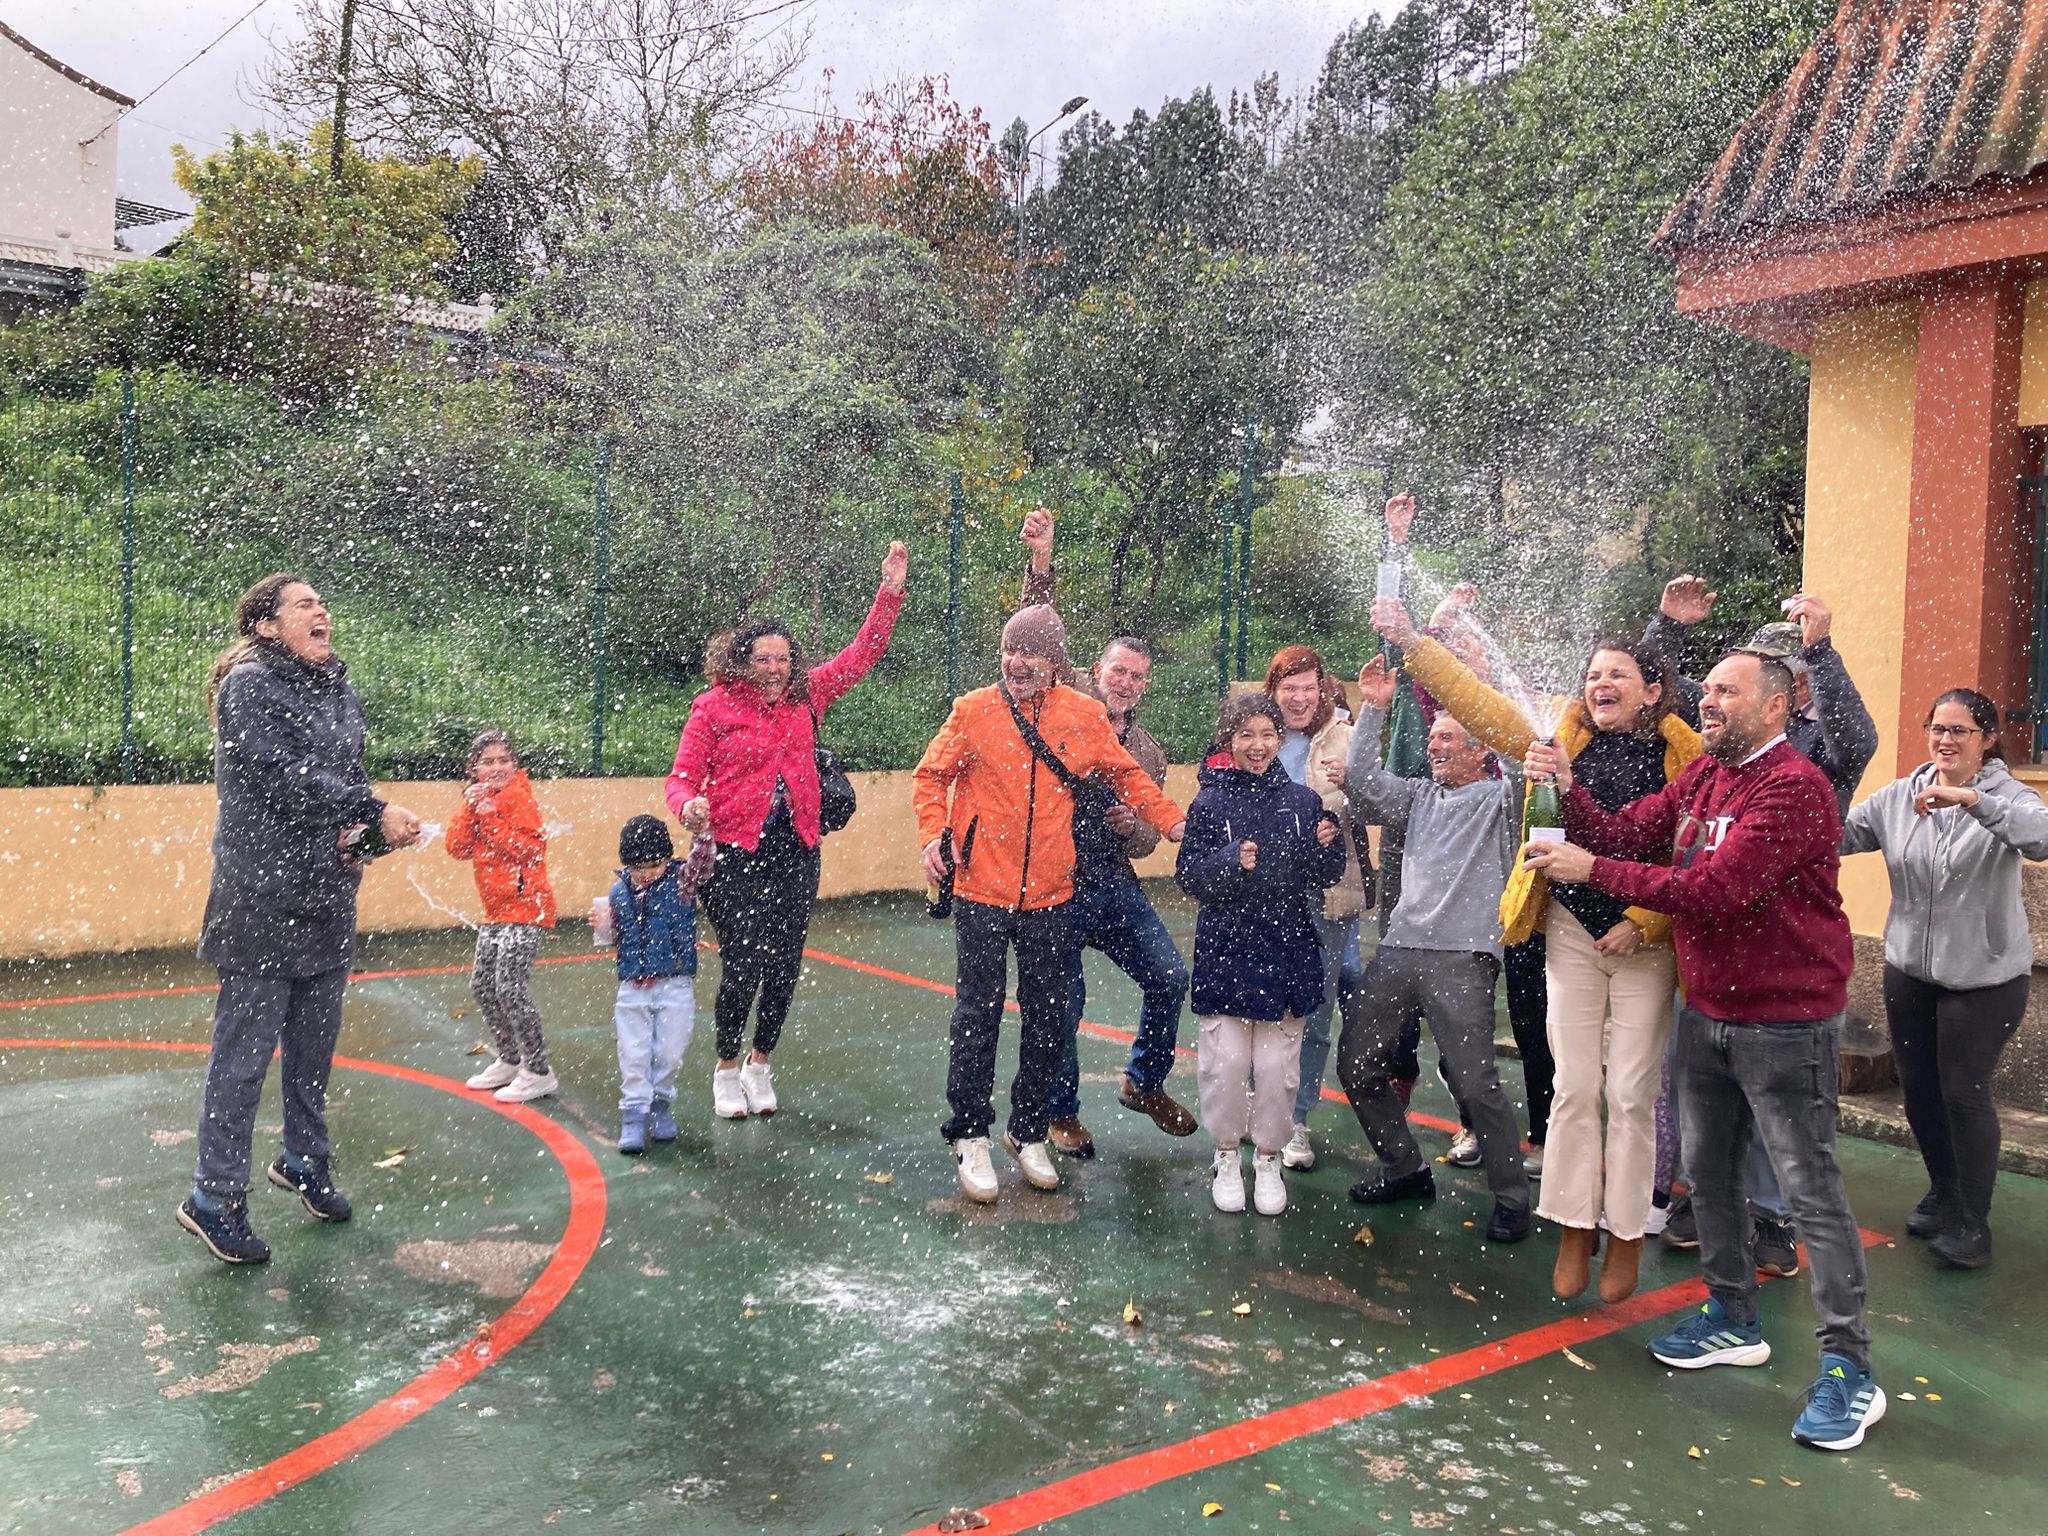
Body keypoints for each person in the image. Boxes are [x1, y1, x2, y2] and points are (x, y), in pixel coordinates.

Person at [1525, 651, 1881, 1453]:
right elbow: (1625, 830)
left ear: (1778, 707)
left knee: (1809, 1193)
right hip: (1710, 1011)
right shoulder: (1702, 778)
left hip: (1786, 1022)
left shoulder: (1793, 787)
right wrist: (1567, 788)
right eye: (1707, 689)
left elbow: (1713, 890)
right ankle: (1731, 1316)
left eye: (1727, 691)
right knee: (1710, 1178)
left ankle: (1851, 1373)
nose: (1708, 702)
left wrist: (1596, 869)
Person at [1380, 595, 1697, 1302]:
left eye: (1617, 673)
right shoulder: (1557, 734)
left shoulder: (1686, 753)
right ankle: (1574, 1227)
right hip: (1571, 932)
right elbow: (1478, 701)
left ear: (1652, 690)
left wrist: (1644, 922)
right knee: (1574, 1088)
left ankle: (1625, 1236)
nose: (1601, 684)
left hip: (1645, 941)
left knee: (1632, 1094)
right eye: (1593, 674)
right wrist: (1412, 644)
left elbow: (1685, 856)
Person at [179, 575, 424, 1266]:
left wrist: (363, 836)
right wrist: (372, 807)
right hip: (259, 899)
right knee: (244, 1058)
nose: (321, 612)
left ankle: (302, 1160)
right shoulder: (250, 687)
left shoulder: (338, 686)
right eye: (304, 605)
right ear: (265, 626)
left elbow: (334, 786)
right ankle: (213, 1196)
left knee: (313, 1048)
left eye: (322, 603)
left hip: (325, 892)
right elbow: (284, 778)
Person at [912, 603, 1187, 1203]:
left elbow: (1130, 778)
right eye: (1012, 652)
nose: (1019, 663)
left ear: (1057, 664)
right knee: (977, 1015)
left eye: (1032, 654)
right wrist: (934, 835)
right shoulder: (974, 710)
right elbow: (931, 777)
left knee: (1047, 1016)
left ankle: (1029, 1129)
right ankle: (970, 1133)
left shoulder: (1083, 714)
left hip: (1052, 895)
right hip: (980, 889)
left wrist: (1170, 823)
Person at [1646, 579, 1876, 1270]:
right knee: (1703, 1097)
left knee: (1781, 1114)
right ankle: (1706, 1199)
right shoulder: (1725, 746)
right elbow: (1667, 691)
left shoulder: (1816, 758)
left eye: (1784, 666)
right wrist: (1669, 628)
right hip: (1714, 953)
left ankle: (1773, 1218)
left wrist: (1824, 649)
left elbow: (1861, 736)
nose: (1716, 700)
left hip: (1782, 957)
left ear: (1792, 690)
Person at [667, 541, 908, 1120]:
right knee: (743, 963)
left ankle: (759, 1062)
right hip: (733, 852)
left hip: (796, 848)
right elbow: (680, 778)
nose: (774, 669)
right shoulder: (714, 706)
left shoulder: (808, 695)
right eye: (763, 659)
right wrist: (689, 808)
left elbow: (862, 653)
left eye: (783, 659)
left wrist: (890, 591)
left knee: (783, 963)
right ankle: (725, 1067)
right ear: (743, 661)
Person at [1840, 688, 2048, 1269]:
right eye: (1938, 728)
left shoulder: (2008, 796)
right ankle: (1944, 1189)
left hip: (1985, 978)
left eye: (1960, 731)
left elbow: (2042, 837)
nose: (1945, 740)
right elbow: (1837, 836)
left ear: (1986, 739)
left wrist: (1973, 800)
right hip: (1910, 970)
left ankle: (1971, 1223)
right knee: (1920, 1088)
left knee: (1962, 1090)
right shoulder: (1900, 797)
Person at [1337, 652, 1532, 1246]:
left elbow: (1524, 761)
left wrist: (1489, 697)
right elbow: (1363, 780)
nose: (1436, 746)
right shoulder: (1418, 797)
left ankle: (1512, 1198)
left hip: (1464, 959)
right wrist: (1373, 709)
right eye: (1435, 738)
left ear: (1482, 751)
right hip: (1398, 951)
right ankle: (1404, 1167)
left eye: (1451, 738)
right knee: (1356, 1065)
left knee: (1476, 1085)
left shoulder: (1503, 803)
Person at [1019, 509, 1196, 1155]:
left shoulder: (1146, 752)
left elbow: (1152, 837)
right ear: (1094, 670)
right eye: (1117, 670)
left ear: (1146, 685)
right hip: (1056, 887)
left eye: (1137, 676)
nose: (1126, 681)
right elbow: (1035, 636)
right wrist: (1042, 560)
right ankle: (1060, 1114)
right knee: (1064, 1003)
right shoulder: (1063, 701)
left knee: (1171, 977)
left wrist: (1131, 829)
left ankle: (1143, 1082)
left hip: (1113, 885)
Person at [1178, 692, 1347, 1215]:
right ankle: (1227, 1153)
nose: (1258, 745)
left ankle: (1269, 1157)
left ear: (1281, 739)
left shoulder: (1301, 801)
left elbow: (1326, 876)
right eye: (1246, 734)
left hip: (1286, 954)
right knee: (1225, 1065)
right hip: (1227, 953)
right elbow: (1190, 876)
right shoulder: (1209, 802)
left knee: (1278, 1070)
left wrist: (1328, 846)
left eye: (1267, 735)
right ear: (1230, 740)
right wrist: (1230, 860)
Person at [1258, 645, 1372, 1172]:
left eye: (1308, 686)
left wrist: (1352, 783)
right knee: (1260, 1007)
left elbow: (1375, 800)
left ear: (1323, 688)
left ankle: (1296, 1120)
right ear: (1273, 691)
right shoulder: (1256, 738)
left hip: (1326, 898)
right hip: (1262, 898)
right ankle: (1261, 1109)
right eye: (1289, 687)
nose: (1299, 697)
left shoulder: (1345, 740)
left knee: (1316, 1011)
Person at [447, 730, 559, 1103]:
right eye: (488, 762)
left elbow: (531, 850)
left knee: (510, 987)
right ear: (474, 769)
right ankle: (510, 1059)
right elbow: (457, 847)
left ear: (515, 765)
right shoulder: (480, 799)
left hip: (527, 908)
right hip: (496, 912)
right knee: (482, 986)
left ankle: (539, 1070)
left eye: (504, 760)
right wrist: (470, 808)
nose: (497, 768)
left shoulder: (517, 798)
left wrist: (491, 818)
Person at [596, 816, 718, 1154]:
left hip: (675, 982)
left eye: (655, 865)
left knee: (670, 1052)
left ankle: (660, 1104)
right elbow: (615, 940)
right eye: (639, 867)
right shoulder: (618, 893)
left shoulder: (681, 882)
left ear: (667, 859)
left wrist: (703, 832)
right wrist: (605, 928)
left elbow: (703, 860)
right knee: (634, 1053)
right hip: (633, 986)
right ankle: (634, 1113)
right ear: (627, 864)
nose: (648, 873)